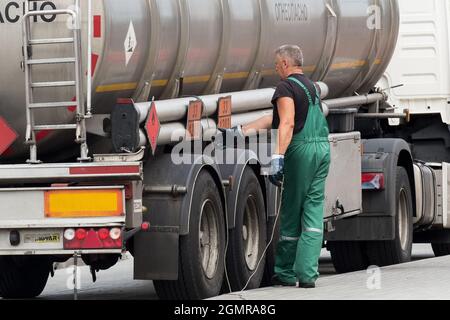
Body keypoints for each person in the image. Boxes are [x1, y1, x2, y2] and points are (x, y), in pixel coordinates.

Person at [218, 45, 331, 288]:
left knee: (290, 210)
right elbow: (275, 119)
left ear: (286, 64)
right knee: (313, 209)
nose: (275, 67)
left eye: (277, 63)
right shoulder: (311, 87)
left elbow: (288, 123)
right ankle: (308, 274)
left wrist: (278, 156)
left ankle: (287, 272)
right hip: (322, 149)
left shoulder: (285, 87)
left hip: (300, 150)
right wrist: (241, 131)